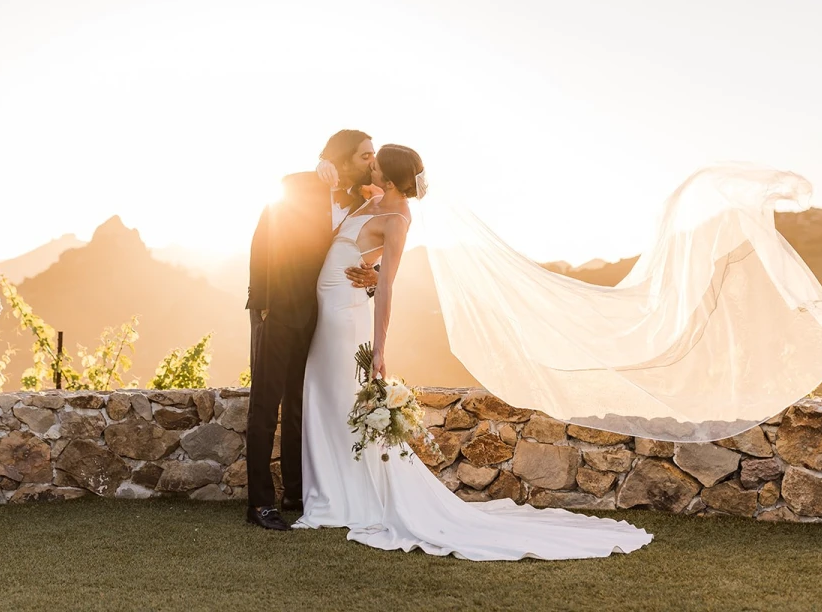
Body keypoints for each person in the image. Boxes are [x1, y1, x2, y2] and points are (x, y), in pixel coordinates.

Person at [292, 143, 653, 560]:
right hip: (331, 305)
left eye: (375, 163)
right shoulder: (372, 198)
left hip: (344, 317)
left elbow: (389, 282)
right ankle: (336, 490)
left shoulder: (397, 217)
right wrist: (367, 267)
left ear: (389, 180)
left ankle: (342, 499)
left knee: (335, 397)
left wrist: (380, 347)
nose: (368, 165)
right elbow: (363, 254)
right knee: (327, 396)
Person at [243, 129, 379, 531]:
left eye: (373, 155)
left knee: (300, 406)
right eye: (364, 155)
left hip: (320, 316)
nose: (372, 161)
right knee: (266, 404)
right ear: (340, 158)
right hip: (278, 309)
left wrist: (373, 276)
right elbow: (262, 240)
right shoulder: (298, 185)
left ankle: (296, 492)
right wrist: (264, 303)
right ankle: (259, 504)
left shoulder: (363, 202)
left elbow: (373, 252)